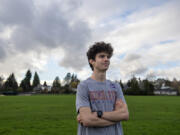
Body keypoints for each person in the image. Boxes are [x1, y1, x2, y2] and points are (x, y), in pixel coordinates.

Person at [76, 41, 129, 135]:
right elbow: (88, 120)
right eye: (102, 56)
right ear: (91, 61)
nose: (106, 59)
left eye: (108, 57)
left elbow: (124, 114)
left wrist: (98, 114)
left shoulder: (116, 86)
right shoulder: (83, 86)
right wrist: (116, 118)